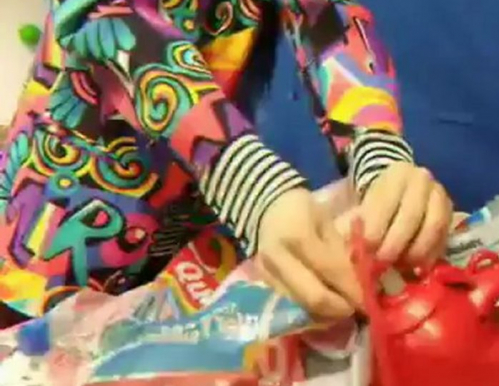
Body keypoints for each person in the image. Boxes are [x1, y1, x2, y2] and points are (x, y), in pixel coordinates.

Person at [0, 0, 452, 324]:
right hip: (36, 260)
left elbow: (328, 17)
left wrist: (379, 153)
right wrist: (251, 183)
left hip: (177, 260)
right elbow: (108, 21)